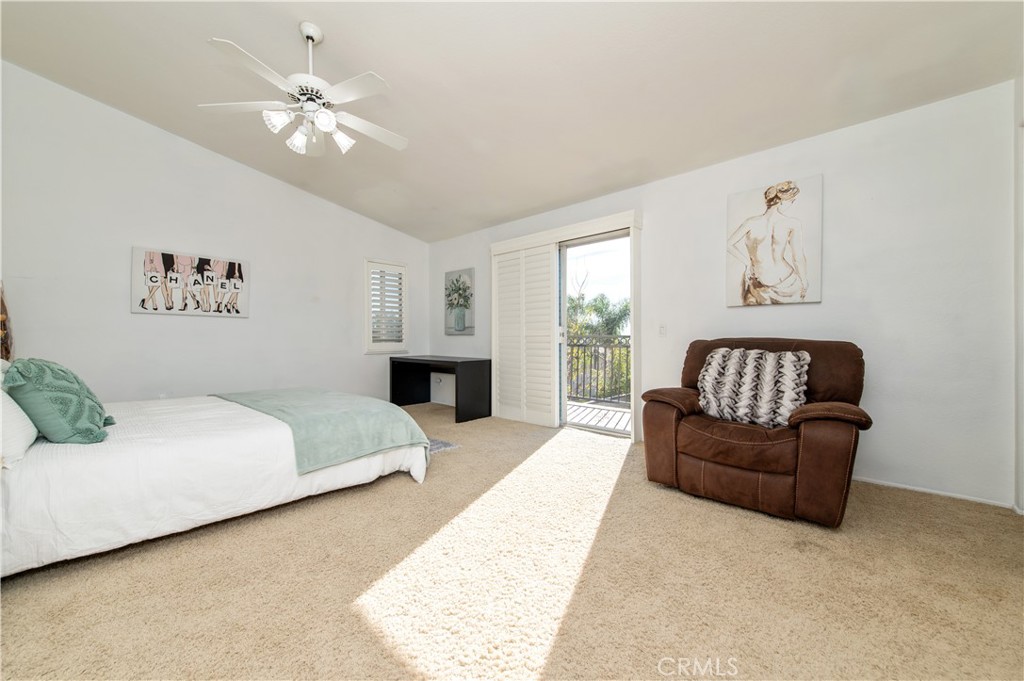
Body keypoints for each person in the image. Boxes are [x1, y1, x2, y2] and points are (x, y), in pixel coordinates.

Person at [727, 180, 808, 305]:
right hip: (769, 286)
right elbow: (798, 257)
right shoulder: (792, 224)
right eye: (792, 201)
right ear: (781, 201)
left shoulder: (750, 223)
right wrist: (804, 281)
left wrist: (747, 263)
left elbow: (729, 244)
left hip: (780, 286)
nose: (792, 204)